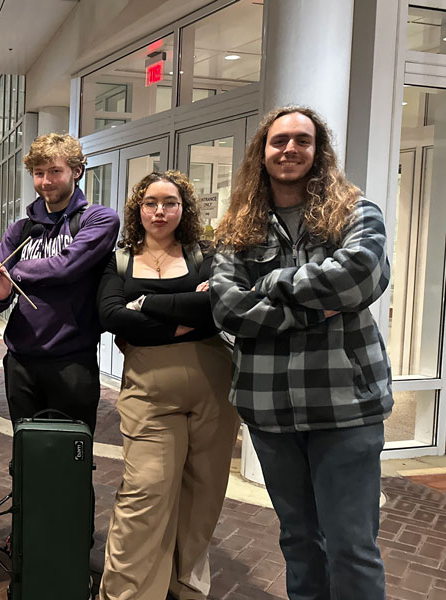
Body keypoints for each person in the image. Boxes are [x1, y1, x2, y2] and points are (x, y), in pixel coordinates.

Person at [210, 106, 392, 599]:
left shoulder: (355, 211)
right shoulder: (236, 228)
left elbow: (360, 275)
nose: (289, 149)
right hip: (270, 408)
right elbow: (229, 309)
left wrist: (270, 283)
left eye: (302, 140)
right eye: (279, 140)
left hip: (346, 406)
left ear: (318, 150)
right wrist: (318, 307)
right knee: (298, 540)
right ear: (262, 152)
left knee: (352, 546)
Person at [95, 171, 238, 600]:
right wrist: (180, 322)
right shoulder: (120, 259)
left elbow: (217, 307)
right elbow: (111, 317)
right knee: (145, 492)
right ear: (137, 208)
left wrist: (147, 306)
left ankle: (187, 587)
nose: (160, 211)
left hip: (214, 387)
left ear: (184, 208)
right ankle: (127, 593)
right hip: (148, 390)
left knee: (204, 494)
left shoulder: (204, 253)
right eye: (151, 202)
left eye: (170, 203)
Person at [0, 132, 119, 432]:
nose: (46, 181)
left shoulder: (99, 219)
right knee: (27, 456)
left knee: (70, 456)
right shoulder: (20, 230)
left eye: (55, 171)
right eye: (39, 173)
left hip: (73, 360)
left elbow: (66, 266)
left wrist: (16, 273)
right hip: (20, 361)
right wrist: (1, 292)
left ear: (76, 171)